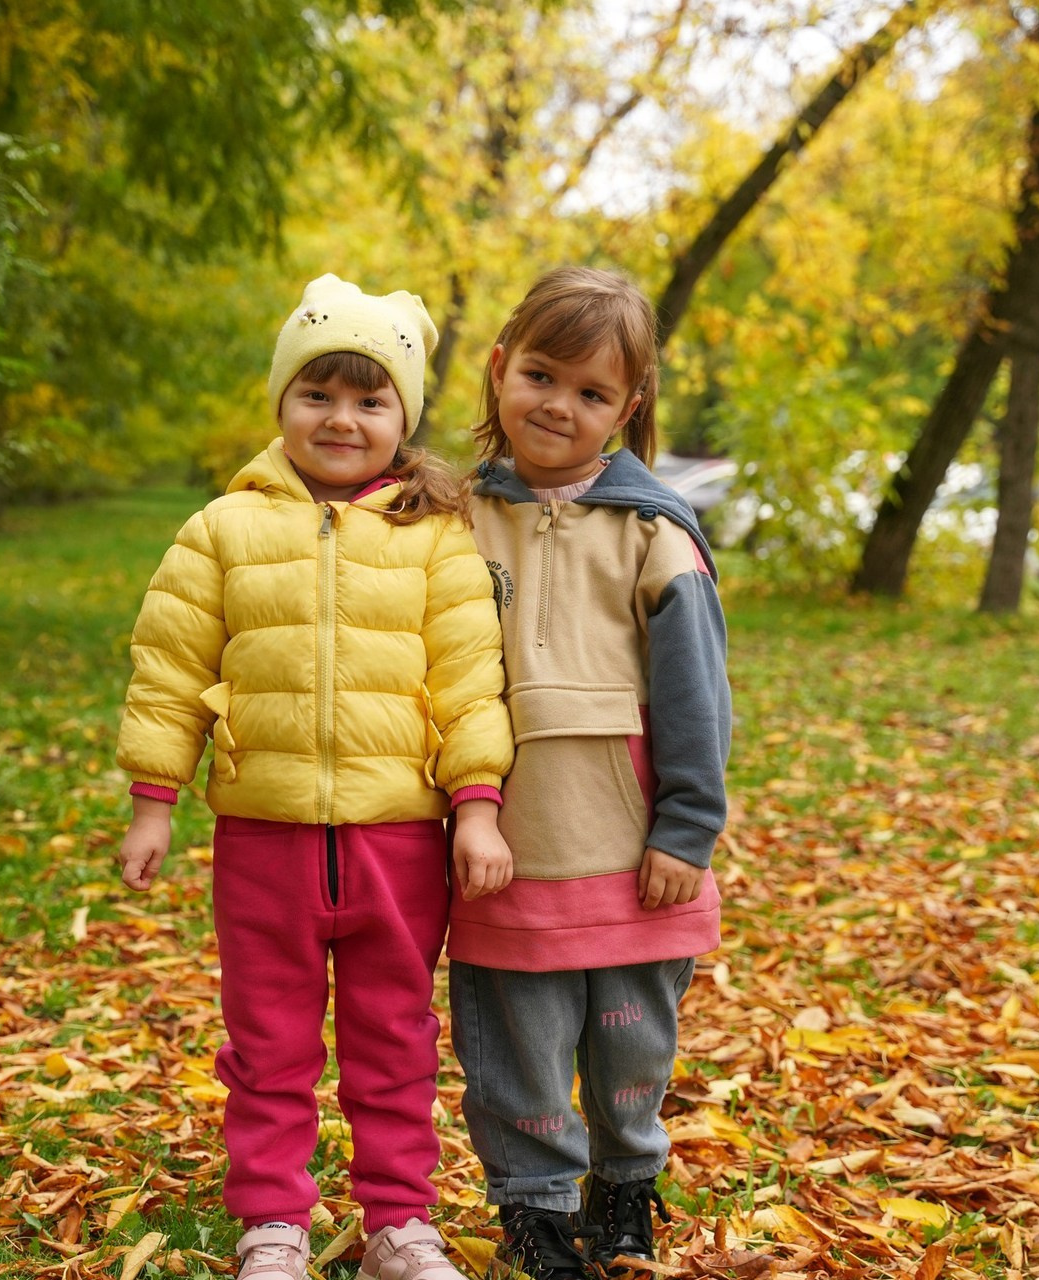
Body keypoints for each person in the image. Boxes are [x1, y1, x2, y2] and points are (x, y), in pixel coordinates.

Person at [116, 274, 516, 1280]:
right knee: (269, 1042)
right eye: (317, 394)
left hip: (397, 841)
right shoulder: (222, 530)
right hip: (266, 837)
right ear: (282, 402)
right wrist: (152, 799)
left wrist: (476, 807)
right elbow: (168, 669)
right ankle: (273, 1223)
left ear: (402, 414)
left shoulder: (435, 538)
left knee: (393, 1036)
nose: (341, 418)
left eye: (369, 398)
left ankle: (397, 1222)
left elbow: (471, 681)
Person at [446, 266, 731, 1279]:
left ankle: (622, 1186)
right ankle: (533, 1206)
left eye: (590, 390)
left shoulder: (651, 532)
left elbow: (695, 689)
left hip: (630, 846)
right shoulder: (451, 520)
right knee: (514, 1048)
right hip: (504, 846)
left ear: (627, 407)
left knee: (627, 1050)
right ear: (496, 370)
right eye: (537, 373)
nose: (556, 404)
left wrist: (684, 828)